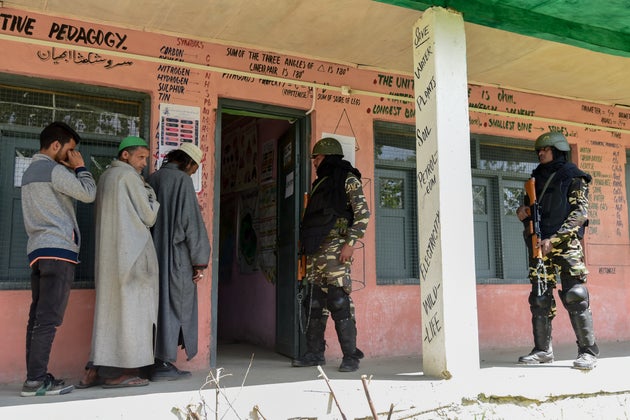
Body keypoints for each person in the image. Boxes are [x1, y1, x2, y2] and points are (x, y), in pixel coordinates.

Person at [20, 121, 96, 396]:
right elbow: (88, 194)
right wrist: (80, 167)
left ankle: (34, 377)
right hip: (59, 253)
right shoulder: (53, 170)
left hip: (38, 253)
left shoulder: (29, 171)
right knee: (49, 320)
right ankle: (36, 381)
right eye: (70, 149)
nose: (71, 154)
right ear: (55, 146)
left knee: (38, 319)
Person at [78, 136, 160, 388]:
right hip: (132, 258)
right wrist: (151, 193)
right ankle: (117, 374)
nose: (144, 164)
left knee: (109, 316)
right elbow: (149, 216)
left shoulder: (104, 178)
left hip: (109, 259)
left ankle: (95, 367)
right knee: (131, 317)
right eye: (141, 157)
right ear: (125, 155)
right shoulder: (129, 178)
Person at [516, 131, 599, 370]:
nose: (540, 153)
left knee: (575, 295)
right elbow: (534, 212)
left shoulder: (573, 176)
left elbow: (579, 214)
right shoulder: (535, 179)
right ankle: (543, 350)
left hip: (565, 246)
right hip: (540, 246)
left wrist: (556, 238)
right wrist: (523, 213)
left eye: (545, 149)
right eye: (538, 151)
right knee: (540, 297)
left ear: (558, 150)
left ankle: (588, 352)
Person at [292, 137, 370, 372]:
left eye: (316, 157)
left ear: (326, 156)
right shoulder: (320, 184)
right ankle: (315, 354)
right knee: (313, 302)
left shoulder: (348, 179)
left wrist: (350, 243)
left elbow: (363, 214)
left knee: (338, 300)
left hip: (337, 249)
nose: (314, 162)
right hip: (316, 252)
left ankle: (350, 357)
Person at [147, 143, 211, 381]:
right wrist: (200, 262)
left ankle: (152, 360)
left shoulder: (153, 178)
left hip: (152, 257)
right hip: (177, 258)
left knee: (157, 307)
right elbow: (192, 225)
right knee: (177, 306)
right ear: (190, 163)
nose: (193, 173)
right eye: (194, 168)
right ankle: (164, 362)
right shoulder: (183, 181)